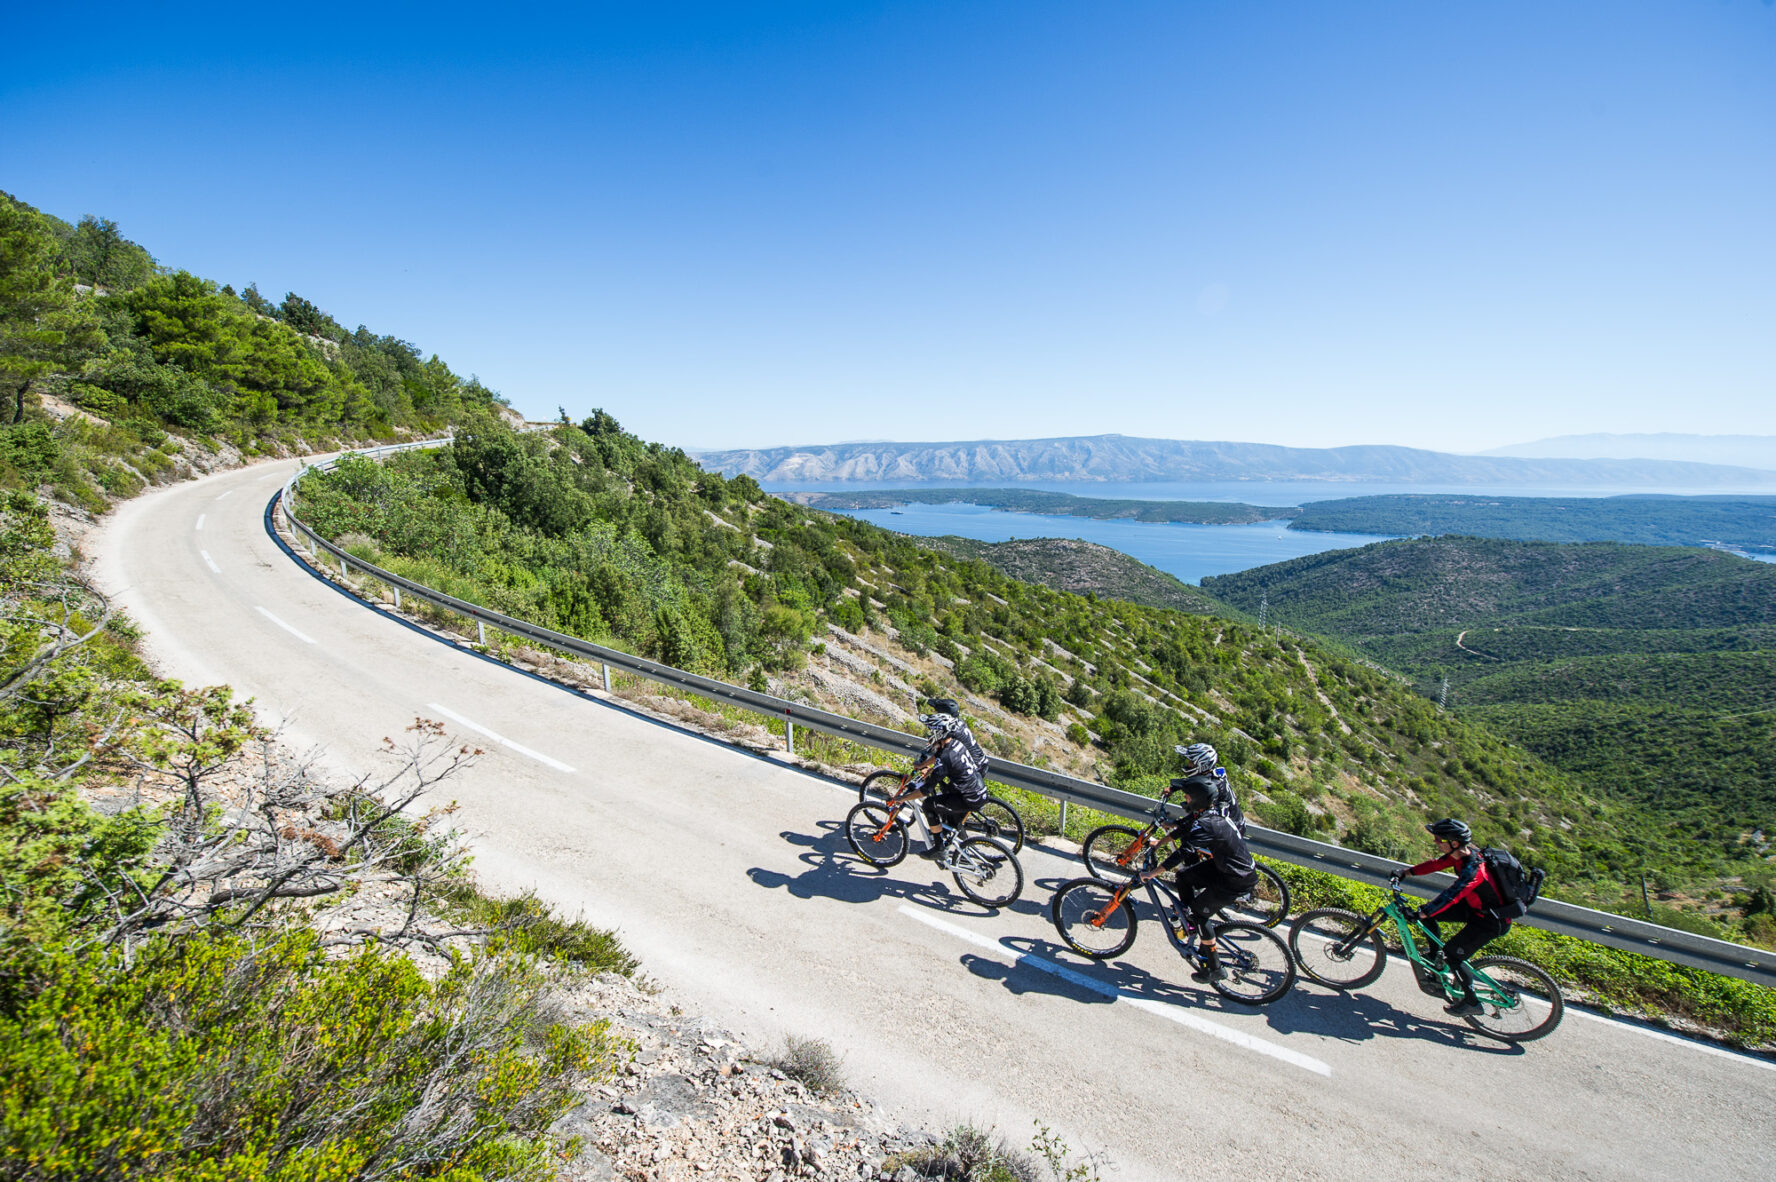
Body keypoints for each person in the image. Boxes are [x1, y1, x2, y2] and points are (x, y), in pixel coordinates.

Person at [1138, 775, 1259, 982]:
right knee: (1184, 876)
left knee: (1201, 915)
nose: (1184, 799)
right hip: (1227, 867)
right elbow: (1181, 830)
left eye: (1187, 796)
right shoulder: (1208, 814)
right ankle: (1189, 921)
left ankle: (1214, 968)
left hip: (1235, 878)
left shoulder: (1207, 824)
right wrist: (1158, 843)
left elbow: (1183, 852)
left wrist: (1151, 873)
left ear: (1197, 800)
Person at [1393, 818, 1511, 1017]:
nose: (1435, 842)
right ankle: (1433, 955)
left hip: (1490, 921)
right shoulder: (1460, 855)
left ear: (1454, 843)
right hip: (1476, 908)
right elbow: (1436, 864)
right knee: (1428, 914)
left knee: (1454, 955)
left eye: (1439, 839)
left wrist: (1422, 913)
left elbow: (1453, 894)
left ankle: (1471, 1002)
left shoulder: (1474, 869)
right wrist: (1407, 872)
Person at [898, 699, 989, 863]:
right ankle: (950, 834)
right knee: (946, 799)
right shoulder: (953, 737)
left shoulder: (949, 745)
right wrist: (926, 765)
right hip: (978, 777)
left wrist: (903, 798)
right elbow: (940, 758)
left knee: (931, 805)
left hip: (972, 783)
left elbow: (928, 785)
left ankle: (946, 846)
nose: (929, 735)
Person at [1175, 741, 1244, 834]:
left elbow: (1202, 811)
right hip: (1228, 823)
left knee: (1189, 839)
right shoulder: (1211, 776)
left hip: (1230, 830)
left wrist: (1179, 823)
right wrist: (1172, 788)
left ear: (1202, 765)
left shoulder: (1211, 785)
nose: (1188, 765)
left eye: (1191, 762)